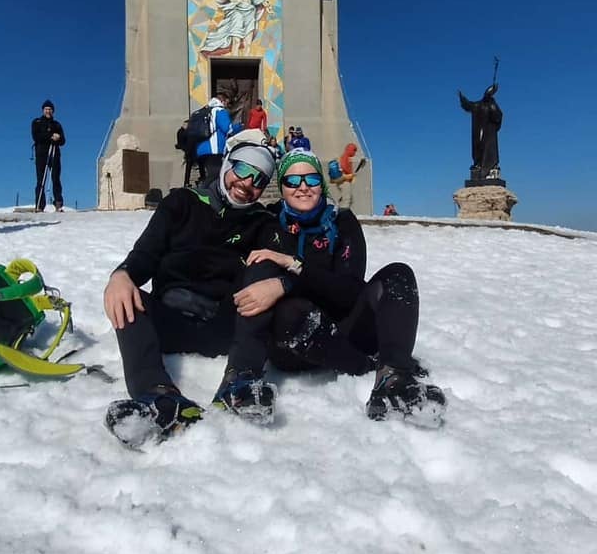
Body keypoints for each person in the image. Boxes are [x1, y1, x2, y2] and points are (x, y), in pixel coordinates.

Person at [102, 131, 291, 446]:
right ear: (227, 164)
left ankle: (240, 381)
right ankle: (157, 395)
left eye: (259, 179)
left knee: (266, 264)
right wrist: (121, 275)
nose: (247, 183)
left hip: (225, 324)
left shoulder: (262, 222)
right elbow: (146, 254)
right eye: (242, 169)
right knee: (126, 297)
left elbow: (287, 263)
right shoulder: (181, 202)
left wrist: (280, 283)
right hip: (170, 320)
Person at [244, 148, 446, 425]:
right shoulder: (267, 224)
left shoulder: (341, 221)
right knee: (290, 312)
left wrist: (292, 270)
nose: (303, 187)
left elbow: (350, 291)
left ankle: (394, 375)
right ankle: (365, 366)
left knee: (398, 274)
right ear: (281, 187)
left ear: (322, 183)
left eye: (312, 179)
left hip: (345, 325)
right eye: (292, 181)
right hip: (295, 342)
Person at [459, 84, 503, 178]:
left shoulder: (492, 104)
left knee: (489, 150)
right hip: (479, 132)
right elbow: (468, 105)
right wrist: (462, 99)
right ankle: (478, 165)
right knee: (478, 148)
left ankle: (490, 167)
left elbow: (498, 116)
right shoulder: (478, 105)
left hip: (489, 134)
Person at [32, 100, 66, 211]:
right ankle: (39, 205)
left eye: (50, 109)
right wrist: (50, 136)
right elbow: (36, 137)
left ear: (53, 111)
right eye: (46, 109)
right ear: (43, 110)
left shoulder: (57, 124)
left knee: (56, 178)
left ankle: (58, 203)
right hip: (41, 153)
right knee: (41, 179)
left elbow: (63, 141)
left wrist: (58, 137)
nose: (48, 111)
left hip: (54, 153)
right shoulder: (37, 122)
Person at [193, 92, 233, 184]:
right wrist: (239, 127)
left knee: (212, 175)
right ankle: (202, 190)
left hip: (201, 149)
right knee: (215, 175)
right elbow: (228, 129)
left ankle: (204, 188)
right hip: (214, 149)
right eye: (227, 102)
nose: (227, 105)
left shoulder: (206, 111)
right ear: (223, 101)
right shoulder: (220, 111)